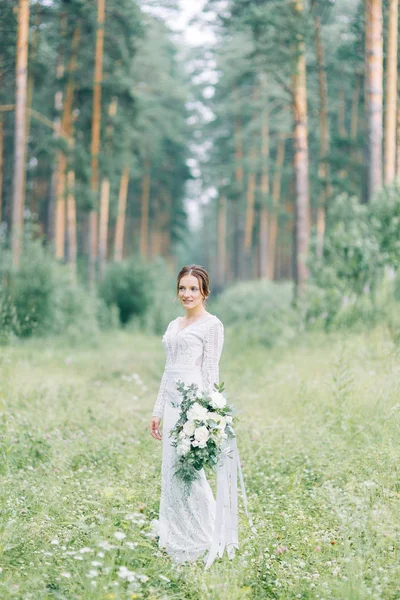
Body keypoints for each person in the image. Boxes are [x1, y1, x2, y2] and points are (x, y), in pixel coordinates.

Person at [150, 264, 224, 564]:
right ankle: (174, 532)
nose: (187, 294)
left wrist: (208, 415)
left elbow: (210, 372)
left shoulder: (212, 326)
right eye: (182, 288)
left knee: (191, 471)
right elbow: (167, 371)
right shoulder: (173, 325)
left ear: (204, 291)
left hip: (192, 405)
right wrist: (156, 412)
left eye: (193, 288)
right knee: (171, 471)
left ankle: (206, 535)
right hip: (170, 404)